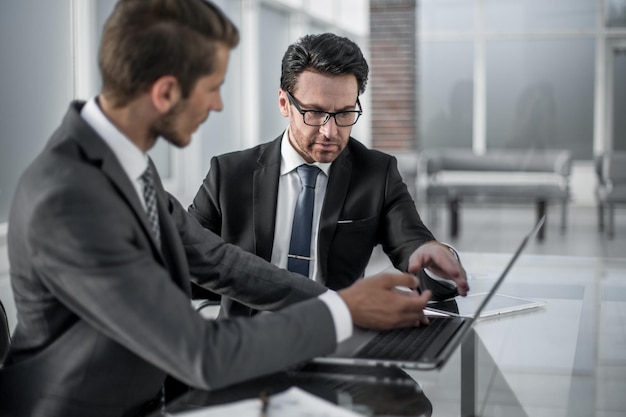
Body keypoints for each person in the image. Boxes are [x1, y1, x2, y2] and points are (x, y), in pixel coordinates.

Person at [0, 2, 464, 416]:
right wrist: (342, 309)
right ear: (165, 92)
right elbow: (198, 352)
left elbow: (219, 261)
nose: (218, 105)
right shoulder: (69, 198)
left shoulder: (124, 166)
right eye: (213, 88)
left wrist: (338, 303)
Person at [189, 33, 469, 318]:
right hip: (247, 345)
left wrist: (435, 260)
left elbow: (413, 243)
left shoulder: (376, 173)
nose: (330, 132)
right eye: (315, 112)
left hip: (337, 339)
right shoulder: (228, 175)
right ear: (285, 103)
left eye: (345, 114)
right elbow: (184, 265)